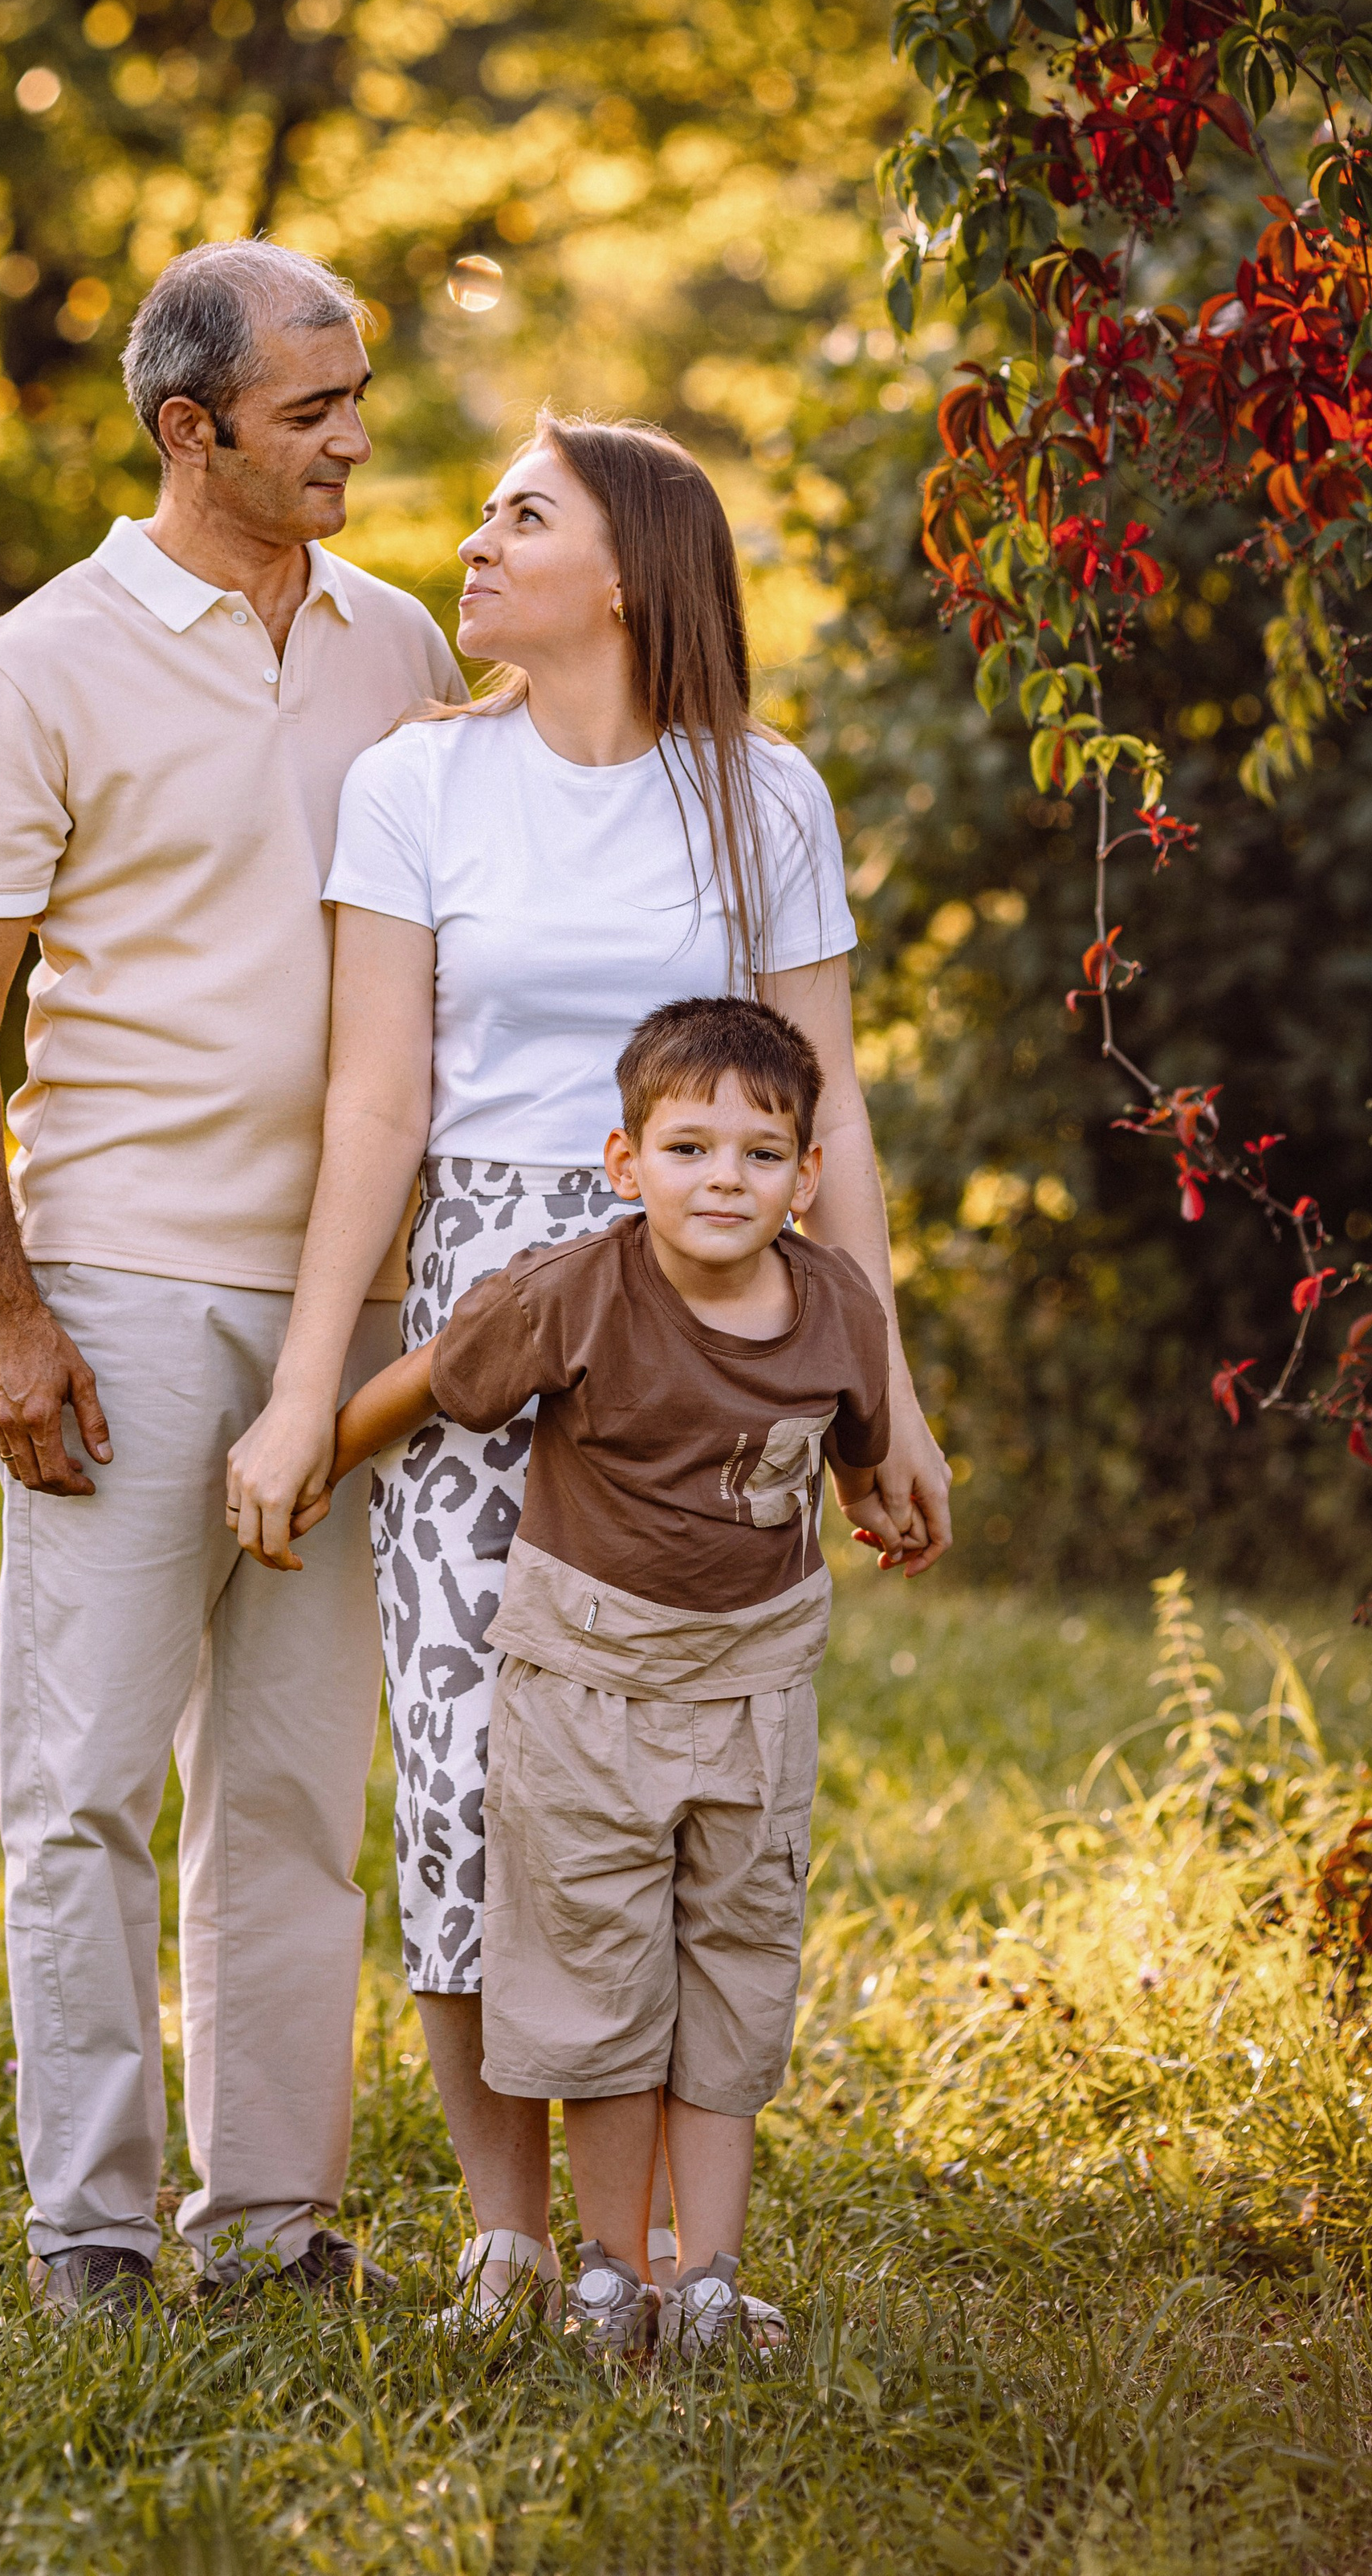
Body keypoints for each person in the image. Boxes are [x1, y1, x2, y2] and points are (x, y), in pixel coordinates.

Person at [225, 414, 951, 2324]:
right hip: (492, 1289)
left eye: (515, 514)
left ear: (625, 569)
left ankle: (664, 2256)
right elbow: (373, 1100)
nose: (466, 540)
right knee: (473, 1768)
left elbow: (835, 1114)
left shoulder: (759, 794)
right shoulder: (415, 784)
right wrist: (314, 1387)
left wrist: (888, 1394)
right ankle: (513, 2238)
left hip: (714, 1308)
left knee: (663, 1776)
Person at [0, 240, 463, 2320]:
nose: (358, 437)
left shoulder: (404, 648)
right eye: (315, 408)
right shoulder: (30, 671)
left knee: (304, 1792)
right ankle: (92, 2233)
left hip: (357, 1312)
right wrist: (5, 1314)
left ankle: (277, 2220)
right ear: (188, 427)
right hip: (122, 1288)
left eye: (360, 392)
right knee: (90, 1785)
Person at [277, 995, 890, 2356]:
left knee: (732, 1973)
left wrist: (889, 1490)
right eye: (688, 1148)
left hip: (754, 1696)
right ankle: (608, 2273)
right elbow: (440, 1377)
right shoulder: (579, 1288)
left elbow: (851, 1433)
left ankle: (709, 2275)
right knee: (602, 1978)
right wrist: (312, 1452)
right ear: (625, 1164)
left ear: (809, 1174)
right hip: (589, 1693)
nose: (724, 1176)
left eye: (759, 1151)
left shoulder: (838, 1302)